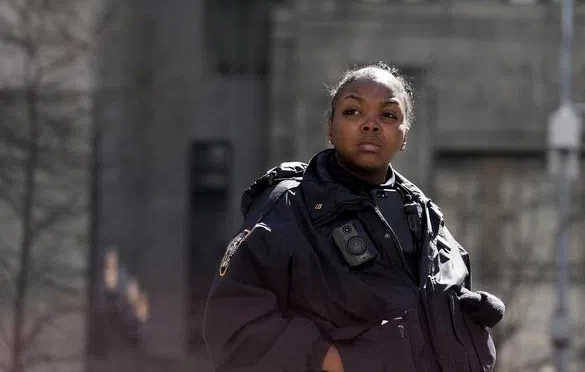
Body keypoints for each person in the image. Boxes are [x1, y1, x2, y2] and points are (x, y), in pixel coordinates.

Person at [203, 63, 504, 372]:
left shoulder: (427, 220)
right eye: (353, 112)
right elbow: (233, 324)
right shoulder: (288, 206)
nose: (370, 125)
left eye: (388, 115)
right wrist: (333, 360)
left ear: (405, 136)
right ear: (329, 128)